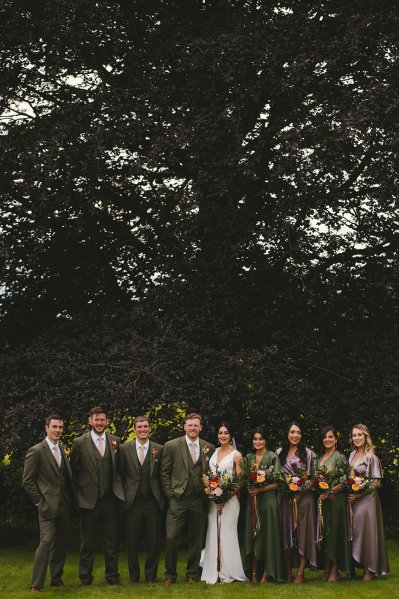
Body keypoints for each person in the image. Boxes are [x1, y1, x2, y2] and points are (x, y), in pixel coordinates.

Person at [70, 406, 125, 586]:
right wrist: (78, 495)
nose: (100, 423)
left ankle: (112, 576)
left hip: (110, 499)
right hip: (88, 500)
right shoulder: (79, 442)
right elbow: (73, 472)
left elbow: (119, 471)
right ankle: (85, 578)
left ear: (107, 421)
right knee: (88, 543)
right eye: (96, 419)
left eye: (102, 420)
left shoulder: (115, 441)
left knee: (111, 541)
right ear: (90, 421)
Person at [160, 412, 215, 584]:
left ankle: (192, 574)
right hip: (177, 499)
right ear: (184, 426)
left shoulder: (209, 447)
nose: (192, 428)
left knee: (196, 538)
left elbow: (212, 473)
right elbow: (164, 472)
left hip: (198, 500)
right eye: (189, 425)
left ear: (201, 428)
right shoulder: (171, 445)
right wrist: (170, 495)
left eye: (196, 425)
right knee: (171, 537)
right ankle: (170, 574)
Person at [22, 413, 74, 592]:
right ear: (47, 428)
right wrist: (39, 502)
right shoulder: (36, 451)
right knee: (46, 542)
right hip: (46, 506)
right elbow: (28, 480)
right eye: (55, 427)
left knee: (61, 543)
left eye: (60, 427)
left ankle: (56, 579)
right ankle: (36, 584)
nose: (58, 430)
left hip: (64, 505)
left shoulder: (63, 448)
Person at [200, 422, 247, 584]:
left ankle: (228, 571)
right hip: (213, 502)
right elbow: (209, 476)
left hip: (230, 501)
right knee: (213, 532)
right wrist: (210, 490)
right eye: (220, 433)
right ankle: (214, 569)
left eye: (226, 433)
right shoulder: (214, 452)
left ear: (230, 436)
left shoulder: (237, 455)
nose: (223, 436)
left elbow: (240, 481)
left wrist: (224, 497)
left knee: (227, 533)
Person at [119, 416, 164, 583]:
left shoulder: (159, 449)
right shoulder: (124, 449)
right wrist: (123, 496)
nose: (143, 429)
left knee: (153, 543)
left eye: (145, 426)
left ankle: (151, 577)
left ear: (150, 428)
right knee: (132, 543)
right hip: (132, 502)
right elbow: (120, 475)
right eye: (139, 427)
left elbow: (161, 475)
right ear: (134, 429)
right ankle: (134, 577)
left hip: (153, 501)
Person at [243, 426, 285, 583]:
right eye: (255, 439)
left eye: (261, 438)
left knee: (268, 535)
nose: (258, 441)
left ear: (266, 441)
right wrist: (249, 486)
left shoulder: (273, 457)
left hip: (268, 501)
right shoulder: (248, 458)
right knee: (254, 534)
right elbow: (244, 479)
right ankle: (253, 573)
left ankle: (267, 573)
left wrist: (261, 490)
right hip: (252, 502)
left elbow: (278, 483)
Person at [277, 421, 317, 583]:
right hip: (285, 498)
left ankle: (300, 573)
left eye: (298, 432)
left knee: (303, 534)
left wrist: (300, 491)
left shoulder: (308, 453)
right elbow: (276, 476)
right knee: (285, 534)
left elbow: (314, 478)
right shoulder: (279, 452)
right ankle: (287, 571)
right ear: (287, 434)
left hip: (304, 499)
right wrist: (287, 488)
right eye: (292, 432)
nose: (295, 435)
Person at [348, 423, 389, 580]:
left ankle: (370, 569)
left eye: (360, 435)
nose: (357, 438)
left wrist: (359, 494)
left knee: (368, 532)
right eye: (354, 435)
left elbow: (376, 482)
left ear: (366, 437)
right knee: (357, 532)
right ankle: (359, 563)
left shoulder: (372, 457)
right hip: (354, 499)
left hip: (368, 500)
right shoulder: (351, 455)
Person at [317, 425, 352, 581]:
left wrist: (332, 491)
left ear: (336, 439)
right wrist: (322, 490)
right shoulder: (320, 458)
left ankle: (335, 570)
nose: (327, 439)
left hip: (336, 500)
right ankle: (327, 569)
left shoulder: (340, 457)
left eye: (330, 437)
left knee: (335, 533)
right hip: (324, 500)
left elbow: (346, 480)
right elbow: (317, 480)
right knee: (325, 533)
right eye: (325, 437)